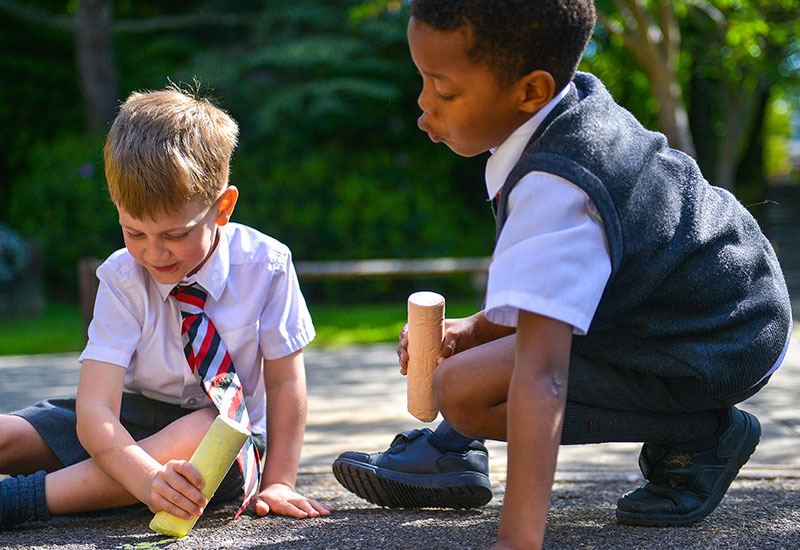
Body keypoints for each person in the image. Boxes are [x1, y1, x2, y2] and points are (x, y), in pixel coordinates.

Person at [332, 1, 792, 548]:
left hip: (715, 340)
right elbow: (561, 288)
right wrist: (476, 329)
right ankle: (456, 446)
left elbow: (544, 375)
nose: (423, 107)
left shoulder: (559, 183)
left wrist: (518, 540)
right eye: (423, 82)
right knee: (467, 366)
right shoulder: (566, 110)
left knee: (462, 392)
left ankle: (700, 433)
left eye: (445, 90)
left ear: (530, 90)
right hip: (713, 302)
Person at [0, 86, 330, 527]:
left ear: (222, 207)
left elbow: (286, 385)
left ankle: (21, 500)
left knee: (205, 426)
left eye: (175, 235)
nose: (154, 254)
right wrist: (143, 477)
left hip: (228, 437)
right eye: (134, 233)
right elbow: (97, 411)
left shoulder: (267, 266)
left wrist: (279, 482)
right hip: (132, 421)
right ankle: (101, 485)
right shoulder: (122, 277)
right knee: (8, 436)